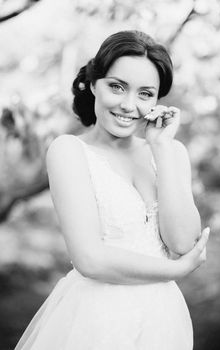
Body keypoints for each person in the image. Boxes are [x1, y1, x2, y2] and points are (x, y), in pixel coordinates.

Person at [15, 30, 209, 350]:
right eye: (117, 87)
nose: (129, 105)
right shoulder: (68, 151)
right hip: (95, 318)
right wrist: (175, 270)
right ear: (94, 85)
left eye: (145, 94)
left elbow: (182, 242)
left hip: (164, 321)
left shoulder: (171, 153)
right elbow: (89, 259)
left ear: (157, 100)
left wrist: (160, 148)